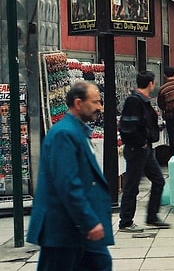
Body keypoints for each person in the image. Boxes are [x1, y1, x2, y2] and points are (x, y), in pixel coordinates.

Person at [27, 81, 114, 270]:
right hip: (63, 228)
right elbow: (68, 183)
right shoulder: (64, 134)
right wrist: (89, 221)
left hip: (77, 228)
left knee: (102, 263)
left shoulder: (75, 130)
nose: (100, 107)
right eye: (96, 102)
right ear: (78, 103)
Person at [118, 70, 170, 233]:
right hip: (137, 149)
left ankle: (152, 216)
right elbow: (128, 127)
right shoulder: (135, 101)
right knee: (132, 186)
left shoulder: (143, 101)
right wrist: (142, 143)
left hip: (145, 149)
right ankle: (126, 221)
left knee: (158, 180)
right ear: (150, 84)